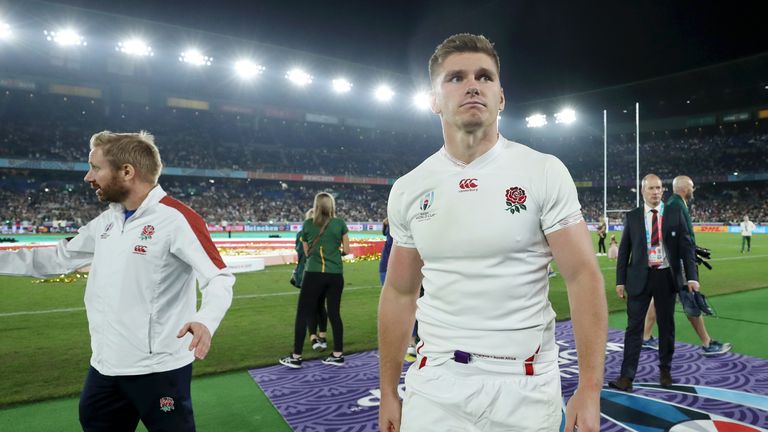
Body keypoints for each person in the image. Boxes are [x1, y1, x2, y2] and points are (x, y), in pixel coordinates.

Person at [378, 33, 607, 432]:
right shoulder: (410, 188)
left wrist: (589, 390)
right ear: (434, 99)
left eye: (485, 76)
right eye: (455, 78)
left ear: (500, 97)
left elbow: (583, 276)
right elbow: (399, 292)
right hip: (435, 383)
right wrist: (387, 391)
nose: (472, 85)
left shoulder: (543, 171)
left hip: (525, 385)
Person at [0, 131, 235, 431]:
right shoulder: (106, 221)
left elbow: (219, 277)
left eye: (96, 168)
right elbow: (56, 258)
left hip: (158, 371)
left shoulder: (176, 219)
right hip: (104, 367)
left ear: (127, 171)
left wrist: (206, 319)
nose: (88, 177)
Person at [609, 174, 698, 392]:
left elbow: (686, 247)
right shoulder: (633, 216)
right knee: (633, 328)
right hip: (639, 278)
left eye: (659, 188)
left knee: (667, 325)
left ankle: (665, 371)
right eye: (651, 188)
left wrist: (693, 276)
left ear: (663, 190)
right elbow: (624, 252)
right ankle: (626, 377)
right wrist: (620, 281)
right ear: (642, 191)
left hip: (666, 277)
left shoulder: (675, 213)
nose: (655, 191)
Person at [641, 176, 731, 355]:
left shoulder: (675, 204)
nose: (694, 189)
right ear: (683, 188)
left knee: (658, 299)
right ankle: (707, 343)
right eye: (691, 186)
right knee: (690, 299)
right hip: (678, 264)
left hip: (671, 262)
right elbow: (672, 235)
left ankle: (645, 337)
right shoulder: (675, 205)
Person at [280, 192, 350, 368]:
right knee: (334, 313)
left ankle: (296, 356)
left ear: (316, 206)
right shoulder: (340, 223)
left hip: (314, 273)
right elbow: (347, 250)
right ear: (332, 206)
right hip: (335, 274)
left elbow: (306, 251)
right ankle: (338, 354)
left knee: (303, 313)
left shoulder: (308, 224)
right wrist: (335, 253)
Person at [296, 208, 329, 352]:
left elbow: (301, 253)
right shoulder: (325, 232)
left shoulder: (302, 234)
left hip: (309, 274)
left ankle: (314, 337)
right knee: (320, 305)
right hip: (323, 272)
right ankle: (322, 336)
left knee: (311, 306)